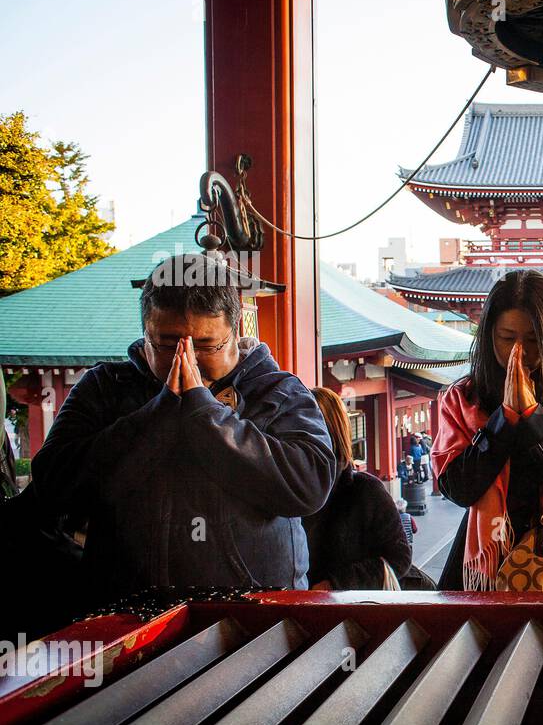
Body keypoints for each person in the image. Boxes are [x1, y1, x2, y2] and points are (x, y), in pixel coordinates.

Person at [29, 253, 335, 603]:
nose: (186, 359)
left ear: (235, 333)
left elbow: (309, 487)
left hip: (255, 610)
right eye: (167, 343)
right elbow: (52, 485)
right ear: (145, 334)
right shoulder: (104, 388)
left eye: (206, 345)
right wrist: (158, 414)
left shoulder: (279, 391)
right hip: (127, 612)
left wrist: (205, 413)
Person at [431, 270, 543, 591]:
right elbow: (458, 489)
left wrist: (533, 417)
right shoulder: (461, 398)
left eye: (531, 339)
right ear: (489, 336)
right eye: (506, 337)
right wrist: (504, 419)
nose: (519, 351)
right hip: (485, 560)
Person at [303, 387, 412, 591]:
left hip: (351, 613)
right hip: (294, 609)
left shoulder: (365, 491)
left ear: (331, 431)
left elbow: (399, 557)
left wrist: (335, 585)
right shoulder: (283, 491)